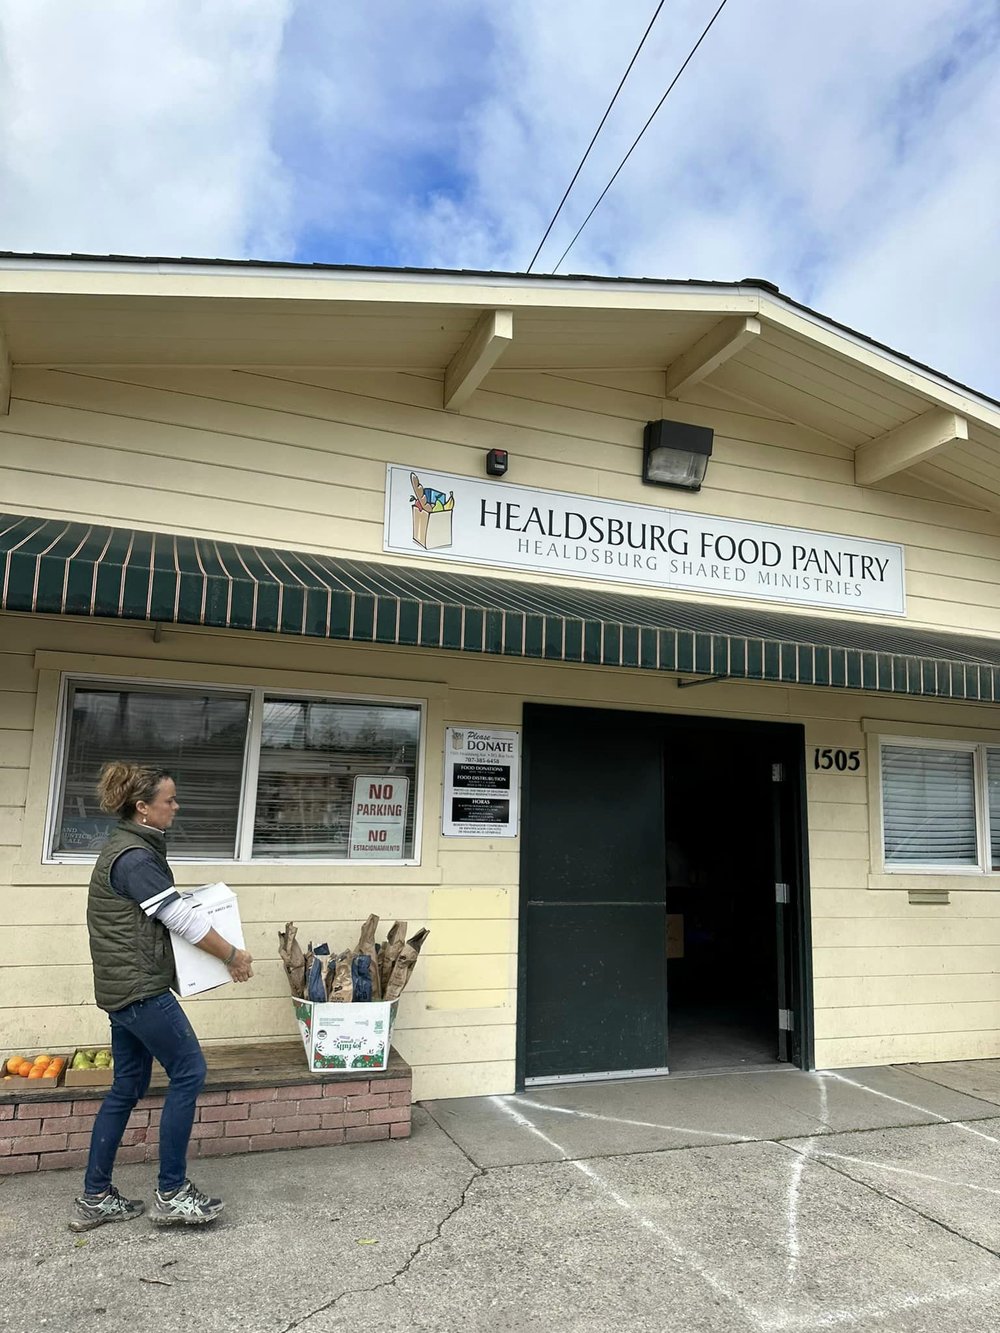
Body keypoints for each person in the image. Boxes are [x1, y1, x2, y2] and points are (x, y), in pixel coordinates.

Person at [69, 762, 254, 1233]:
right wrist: (233, 955)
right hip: (140, 989)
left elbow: (159, 910)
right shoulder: (133, 857)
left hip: (121, 989)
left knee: (127, 1086)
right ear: (142, 808)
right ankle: (172, 1193)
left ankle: (96, 1197)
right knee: (189, 1070)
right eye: (168, 800)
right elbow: (182, 921)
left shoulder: (128, 849)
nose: (176, 806)